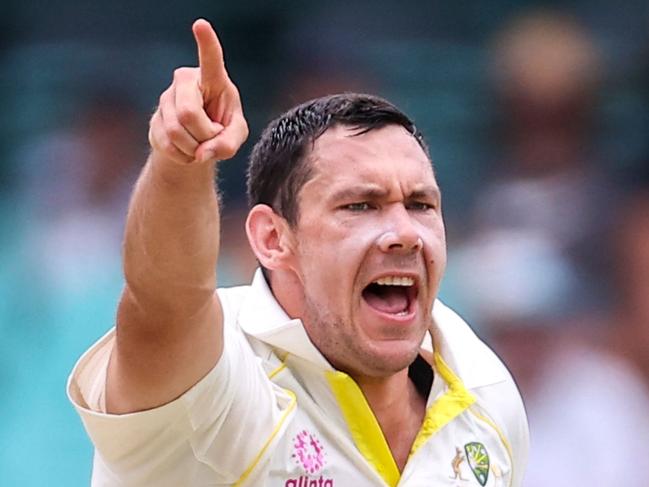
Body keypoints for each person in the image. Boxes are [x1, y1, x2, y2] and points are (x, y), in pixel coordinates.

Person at [68, 19, 528, 486]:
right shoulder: (222, 382)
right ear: (272, 239)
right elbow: (162, 302)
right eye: (360, 205)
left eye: (420, 204)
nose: (405, 233)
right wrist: (179, 164)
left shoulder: (484, 393)